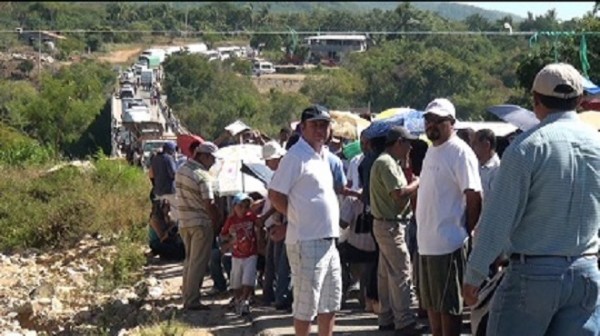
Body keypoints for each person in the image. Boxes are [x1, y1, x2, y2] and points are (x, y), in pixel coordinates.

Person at [463, 62, 600, 335]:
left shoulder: (527, 147)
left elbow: (499, 218)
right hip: (585, 269)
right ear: (580, 101)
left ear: (536, 101)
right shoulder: (596, 144)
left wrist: (474, 274)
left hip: (533, 274)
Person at [268, 105, 342, 336]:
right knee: (306, 303)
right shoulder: (296, 156)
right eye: (315, 125)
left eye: (324, 124)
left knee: (330, 302)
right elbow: (275, 194)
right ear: (303, 128)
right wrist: (295, 218)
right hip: (306, 239)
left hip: (328, 239)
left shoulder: (322, 155)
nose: (321, 129)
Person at [416, 98, 482, 336]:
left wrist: (468, 232)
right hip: (426, 244)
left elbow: (474, 195)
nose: (431, 125)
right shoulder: (432, 150)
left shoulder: (459, 151)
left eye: (438, 120)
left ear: (452, 123)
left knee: (450, 309)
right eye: (428, 120)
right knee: (432, 307)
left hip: (448, 244)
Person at [369, 126, 425, 335]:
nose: (410, 146)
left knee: (385, 274)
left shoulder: (387, 162)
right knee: (402, 272)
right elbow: (399, 194)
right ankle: (404, 321)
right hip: (391, 224)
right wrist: (417, 183)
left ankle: (386, 317)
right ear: (399, 142)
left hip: (385, 223)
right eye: (408, 142)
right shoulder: (387, 163)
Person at [175, 142, 222, 311]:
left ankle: (187, 295)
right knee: (198, 262)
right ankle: (192, 300)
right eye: (212, 159)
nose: (213, 163)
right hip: (200, 222)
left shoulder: (181, 170)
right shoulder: (202, 175)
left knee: (189, 260)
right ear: (204, 156)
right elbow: (208, 203)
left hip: (184, 221)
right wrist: (217, 219)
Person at [259, 141, 292, 310]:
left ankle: (282, 297)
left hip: (284, 223)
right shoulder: (278, 175)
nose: (266, 164)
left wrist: (267, 216)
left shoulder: (284, 174)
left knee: (281, 263)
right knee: (274, 262)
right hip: (277, 223)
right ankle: (274, 296)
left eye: (268, 160)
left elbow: (278, 201)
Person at [220, 192, 260, 316]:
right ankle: (238, 300)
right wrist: (230, 237)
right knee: (236, 281)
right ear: (234, 207)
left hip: (251, 253)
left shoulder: (251, 216)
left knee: (248, 278)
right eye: (240, 206)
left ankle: (245, 300)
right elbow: (223, 235)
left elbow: (259, 223)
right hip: (237, 254)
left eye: (246, 206)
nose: (243, 209)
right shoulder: (231, 220)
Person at [470, 129, 500, 201]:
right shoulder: (474, 165)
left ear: (486, 145)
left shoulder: (498, 170)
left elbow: (495, 199)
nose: (471, 148)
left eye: (474, 144)